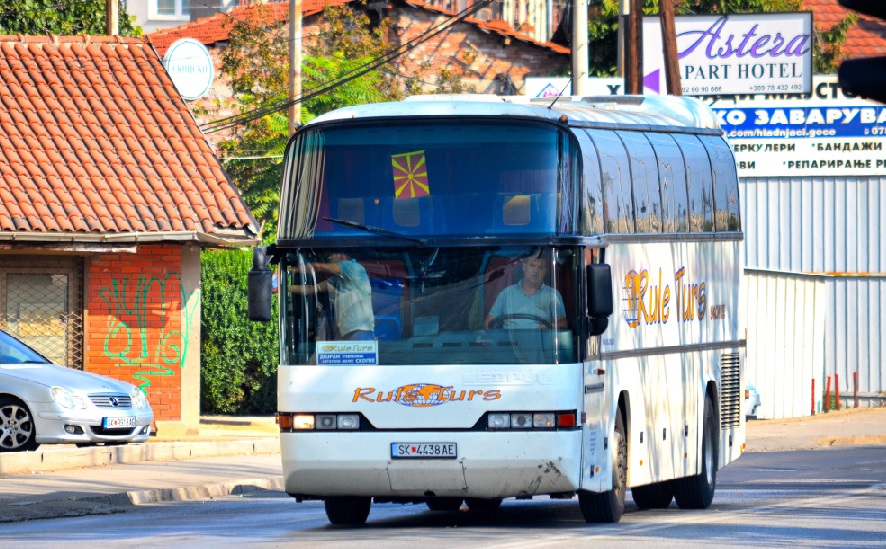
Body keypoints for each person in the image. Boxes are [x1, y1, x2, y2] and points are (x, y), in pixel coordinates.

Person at [289, 252, 375, 340]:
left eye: (330, 260)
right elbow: (312, 289)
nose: (328, 263)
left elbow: (318, 267)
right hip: (345, 332)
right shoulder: (338, 279)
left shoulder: (353, 267)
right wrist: (285, 288)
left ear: (341, 256)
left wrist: (291, 270)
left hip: (359, 330)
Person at [484, 254, 567, 330]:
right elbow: (489, 322)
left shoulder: (552, 295)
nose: (535, 271)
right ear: (524, 267)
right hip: (510, 342)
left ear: (545, 272)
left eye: (540, 267)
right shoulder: (507, 293)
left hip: (540, 343)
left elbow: (563, 323)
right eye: (532, 265)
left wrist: (548, 327)